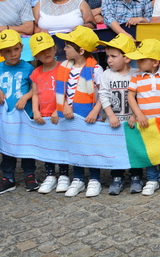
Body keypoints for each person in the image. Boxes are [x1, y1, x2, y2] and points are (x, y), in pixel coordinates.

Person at [53, 26, 104, 197]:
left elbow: (103, 93)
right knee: (74, 147)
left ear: (81, 50)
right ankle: (78, 178)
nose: (64, 49)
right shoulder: (64, 66)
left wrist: (95, 112)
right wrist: (63, 106)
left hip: (89, 117)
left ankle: (95, 178)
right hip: (69, 117)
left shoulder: (96, 70)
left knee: (90, 147)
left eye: (68, 46)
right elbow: (60, 91)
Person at [0, 30, 37, 195]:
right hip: (6, 115)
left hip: (24, 114)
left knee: (26, 145)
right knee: (7, 146)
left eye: (15, 49)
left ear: (21, 48)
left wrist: (26, 97)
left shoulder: (28, 67)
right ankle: (8, 177)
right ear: (1, 53)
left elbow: (35, 88)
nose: (12, 54)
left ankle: (29, 174)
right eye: (7, 51)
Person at [126, 39, 160, 196]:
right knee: (149, 150)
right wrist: (138, 114)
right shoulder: (136, 77)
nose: (137, 62)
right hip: (145, 122)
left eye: (142, 59)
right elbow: (131, 97)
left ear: (155, 62)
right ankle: (152, 179)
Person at [97, 34, 140, 195]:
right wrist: (110, 115)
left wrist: (135, 115)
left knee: (134, 148)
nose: (109, 60)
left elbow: (139, 97)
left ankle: (136, 175)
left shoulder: (135, 74)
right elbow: (103, 95)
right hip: (113, 122)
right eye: (108, 56)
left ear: (127, 58)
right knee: (115, 149)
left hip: (131, 121)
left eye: (114, 56)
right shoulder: (107, 74)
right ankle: (117, 177)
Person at [29, 34, 70, 194]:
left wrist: (57, 109)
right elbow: (35, 94)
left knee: (61, 144)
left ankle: (64, 175)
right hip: (43, 117)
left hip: (58, 115)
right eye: (41, 51)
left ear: (55, 48)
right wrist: (35, 111)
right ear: (35, 55)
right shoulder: (36, 73)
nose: (46, 53)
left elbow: (66, 92)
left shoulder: (62, 68)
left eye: (48, 49)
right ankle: (50, 175)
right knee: (47, 146)